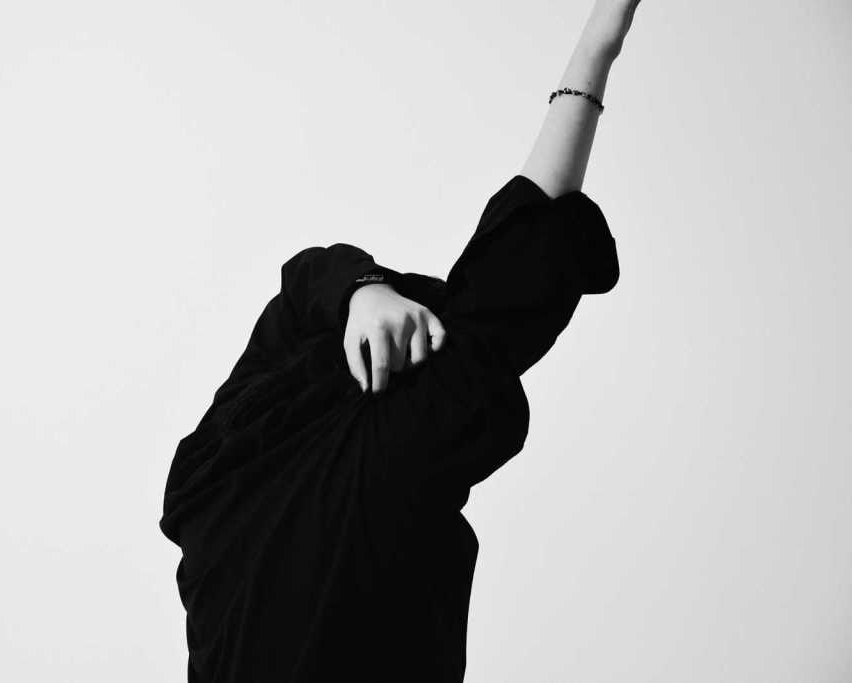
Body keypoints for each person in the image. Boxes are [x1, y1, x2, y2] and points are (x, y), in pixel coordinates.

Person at [159, 1, 643, 680]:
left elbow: (307, 286)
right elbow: (501, 290)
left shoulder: (217, 473)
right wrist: (599, 45)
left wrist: (359, 290)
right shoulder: (380, 461)